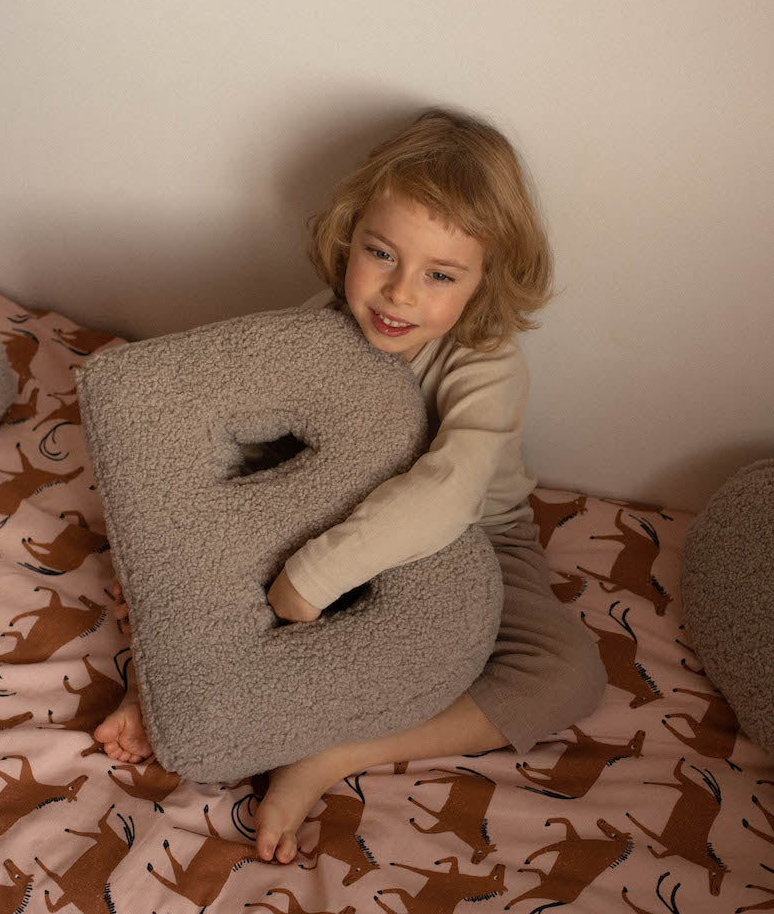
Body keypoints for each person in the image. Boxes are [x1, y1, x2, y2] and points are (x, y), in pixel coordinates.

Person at [94, 106, 606, 866]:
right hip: (321, 508)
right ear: (346, 238)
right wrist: (192, 567)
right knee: (211, 581)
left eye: (439, 275)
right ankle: (164, 692)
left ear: (483, 281)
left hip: (475, 538)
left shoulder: (485, 360)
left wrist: (316, 576)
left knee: (568, 676)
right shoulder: (318, 330)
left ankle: (332, 756)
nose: (400, 295)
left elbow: (452, 486)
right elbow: (253, 452)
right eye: (380, 254)